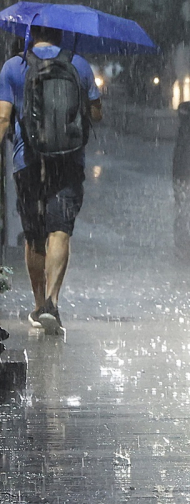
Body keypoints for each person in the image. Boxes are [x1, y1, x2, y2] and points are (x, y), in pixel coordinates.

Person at [0, 25, 102, 333]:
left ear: (32, 35)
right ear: (61, 35)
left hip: (27, 161)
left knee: (34, 235)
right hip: (69, 160)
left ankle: (38, 302)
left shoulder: (14, 67)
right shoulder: (80, 65)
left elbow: (3, 117)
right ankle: (53, 305)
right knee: (60, 231)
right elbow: (96, 113)